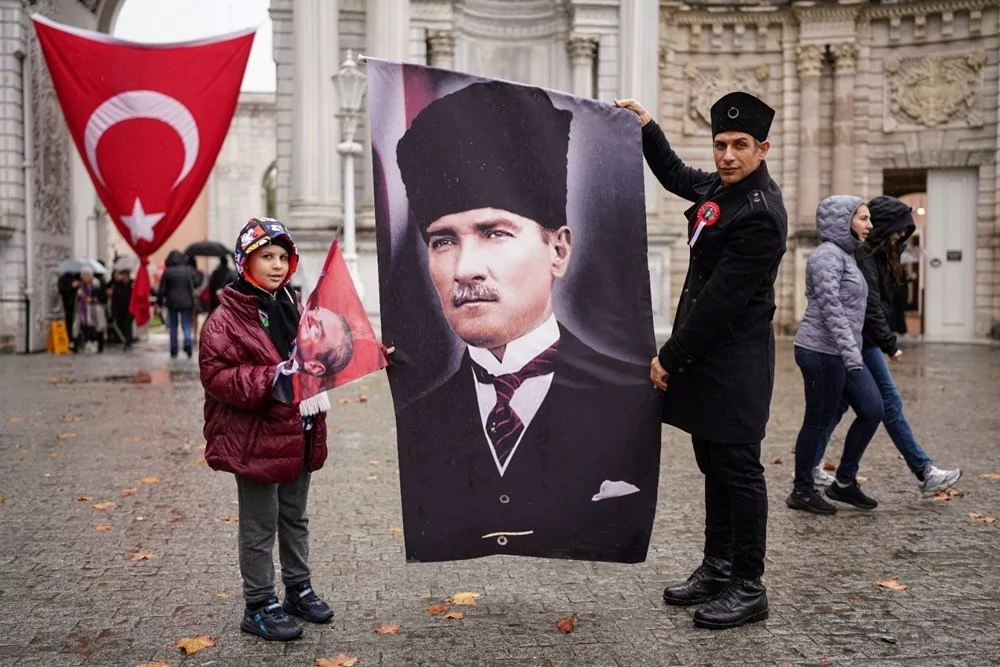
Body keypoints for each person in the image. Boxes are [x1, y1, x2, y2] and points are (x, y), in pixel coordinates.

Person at [391, 80, 661, 564]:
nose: (464, 268)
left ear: (558, 250)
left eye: (494, 232)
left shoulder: (627, 398)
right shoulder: (415, 417)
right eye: (442, 241)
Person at [615, 91, 786, 629]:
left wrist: (671, 356)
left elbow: (719, 304)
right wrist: (646, 126)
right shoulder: (722, 186)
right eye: (720, 145)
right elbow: (674, 176)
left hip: (733, 364)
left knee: (739, 470)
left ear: (763, 148)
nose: (727, 155)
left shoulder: (760, 213)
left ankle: (748, 584)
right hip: (710, 363)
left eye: (740, 146)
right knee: (713, 463)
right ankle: (716, 567)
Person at [199, 217, 334, 642]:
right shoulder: (228, 316)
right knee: (260, 525)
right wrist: (272, 378)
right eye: (266, 257)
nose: (276, 265)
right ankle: (258, 604)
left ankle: (298, 588)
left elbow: (320, 352)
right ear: (245, 262)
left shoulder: (293, 304)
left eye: (282, 257)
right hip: (256, 436)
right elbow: (217, 374)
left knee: (295, 516)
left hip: (299, 425)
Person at [812, 196, 961, 494]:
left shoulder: (878, 256)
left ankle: (811, 469)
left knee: (838, 406)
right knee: (888, 404)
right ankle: (923, 471)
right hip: (861, 342)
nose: (900, 236)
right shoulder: (864, 257)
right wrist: (889, 344)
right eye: (898, 230)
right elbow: (870, 307)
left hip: (860, 341)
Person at [787, 196, 883, 517]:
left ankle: (843, 482)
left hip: (843, 353)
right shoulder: (826, 257)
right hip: (820, 352)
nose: (869, 225)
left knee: (872, 409)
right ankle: (801, 490)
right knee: (817, 420)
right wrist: (851, 354)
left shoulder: (847, 256)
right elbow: (831, 309)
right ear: (843, 221)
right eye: (863, 219)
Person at [157, 250, 196, 358]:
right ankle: (187, 342)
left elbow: (162, 289)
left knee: (173, 325)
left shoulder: (168, 272)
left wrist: (159, 301)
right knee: (186, 324)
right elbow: (196, 282)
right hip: (186, 301)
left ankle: (174, 349)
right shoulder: (187, 270)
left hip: (171, 302)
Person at [71, 267, 107, 353]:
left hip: (96, 308)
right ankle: (76, 345)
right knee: (77, 324)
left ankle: (100, 345)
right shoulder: (80, 285)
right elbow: (75, 298)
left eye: (87, 275)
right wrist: (76, 292)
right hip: (82, 308)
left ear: (91, 276)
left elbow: (103, 297)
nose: (85, 277)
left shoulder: (98, 284)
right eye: (84, 275)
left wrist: (93, 299)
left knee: (99, 326)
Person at [109, 269, 134, 351]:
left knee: (128, 324)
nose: (124, 277)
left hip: (130, 308)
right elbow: (114, 299)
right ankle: (124, 339)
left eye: (126, 275)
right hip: (120, 308)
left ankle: (128, 341)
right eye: (123, 275)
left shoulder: (133, 283)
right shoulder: (118, 284)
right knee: (121, 324)